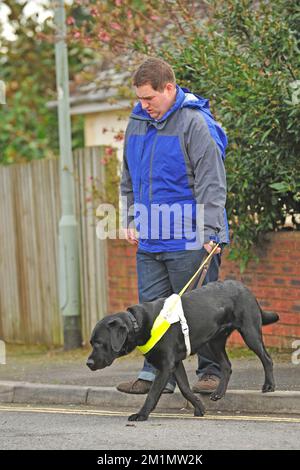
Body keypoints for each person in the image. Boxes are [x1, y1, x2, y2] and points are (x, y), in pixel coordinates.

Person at [117, 57, 229, 395]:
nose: (143, 105)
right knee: (152, 311)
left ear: (169, 88)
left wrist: (210, 232)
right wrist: (131, 218)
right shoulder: (137, 123)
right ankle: (155, 376)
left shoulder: (196, 124)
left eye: (149, 98)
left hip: (191, 238)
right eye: (139, 98)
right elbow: (128, 178)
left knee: (198, 311)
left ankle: (210, 372)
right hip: (151, 240)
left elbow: (212, 183)